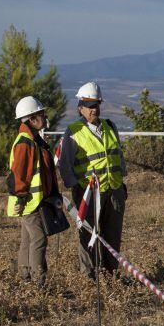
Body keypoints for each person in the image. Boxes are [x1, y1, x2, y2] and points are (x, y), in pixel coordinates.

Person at [57, 82, 128, 278]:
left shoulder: (110, 126)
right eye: (89, 105)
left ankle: (110, 273)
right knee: (89, 234)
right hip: (89, 193)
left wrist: (121, 185)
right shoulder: (74, 131)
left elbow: (118, 157)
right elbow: (65, 165)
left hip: (114, 190)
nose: (93, 109)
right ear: (80, 108)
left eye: (96, 104)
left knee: (112, 235)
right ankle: (88, 274)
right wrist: (78, 191)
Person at [6, 96, 62, 287]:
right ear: (31, 119)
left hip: (36, 200)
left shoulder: (34, 140)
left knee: (28, 239)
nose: (45, 116)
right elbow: (19, 175)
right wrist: (21, 198)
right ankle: (38, 284)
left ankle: (25, 281)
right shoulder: (25, 143)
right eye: (41, 114)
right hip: (29, 201)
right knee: (39, 239)